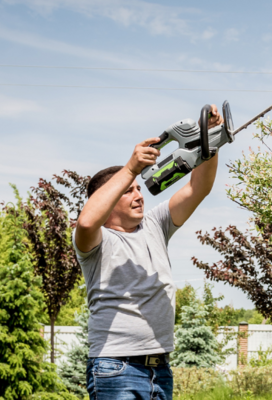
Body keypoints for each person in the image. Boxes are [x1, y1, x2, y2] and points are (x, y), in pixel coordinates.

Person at [72, 105, 224, 400]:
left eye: (138, 188)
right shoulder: (94, 243)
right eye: (128, 190)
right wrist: (130, 169)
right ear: (109, 199)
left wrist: (211, 141)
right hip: (115, 368)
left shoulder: (155, 224)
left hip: (160, 368)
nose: (139, 195)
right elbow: (87, 220)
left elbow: (198, 188)